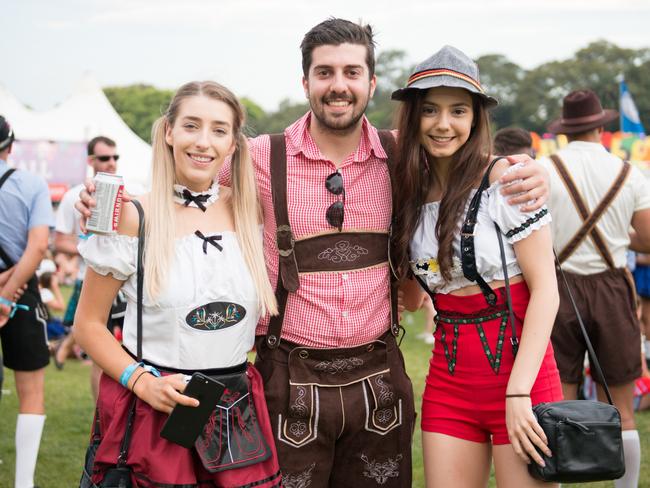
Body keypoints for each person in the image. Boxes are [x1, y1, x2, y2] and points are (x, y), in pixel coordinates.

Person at [76, 19, 550, 486]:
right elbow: (191, 177)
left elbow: (467, 167)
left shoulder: (405, 155)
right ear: (305, 81)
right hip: (289, 379)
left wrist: (531, 169)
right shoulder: (259, 157)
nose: (338, 85)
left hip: (380, 381)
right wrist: (107, 205)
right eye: (325, 72)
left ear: (371, 81)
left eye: (351, 72)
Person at [73, 81, 282, 487]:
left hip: (233, 410)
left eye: (219, 130)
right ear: (169, 132)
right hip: (156, 412)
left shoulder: (253, 213)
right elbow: (88, 325)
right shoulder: (133, 216)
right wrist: (143, 383)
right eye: (191, 126)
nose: (204, 142)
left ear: (233, 144)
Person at [391, 46, 562, 487]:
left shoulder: (507, 181)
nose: (443, 124)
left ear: (475, 118)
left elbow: (546, 290)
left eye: (457, 110)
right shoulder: (407, 192)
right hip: (449, 382)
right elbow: (410, 298)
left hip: (523, 376)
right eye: (429, 109)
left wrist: (520, 391)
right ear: (413, 117)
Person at [540, 88, 650, 488]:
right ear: (602, 127)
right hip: (610, 288)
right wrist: (617, 235)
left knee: (559, 401)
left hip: (558, 288)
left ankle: (559, 484)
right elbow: (649, 238)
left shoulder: (544, 168)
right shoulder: (628, 172)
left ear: (565, 130)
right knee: (620, 406)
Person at [0, 115, 55, 488]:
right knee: (31, 390)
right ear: (11, 145)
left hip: (10, 289)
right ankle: (23, 483)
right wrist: (6, 294)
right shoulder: (31, 183)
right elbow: (37, 248)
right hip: (20, 295)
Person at [53, 136, 119, 396]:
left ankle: (65, 346)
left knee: (127, 352)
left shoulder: (128, 189)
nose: (112, 163)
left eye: (115, 157)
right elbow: (59, 242)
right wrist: (91, 248)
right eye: (105, 158)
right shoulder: (72, 196)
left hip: (125, 286)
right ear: (91, 161)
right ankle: (101, 424)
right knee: (100, 355)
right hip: (90, 280)